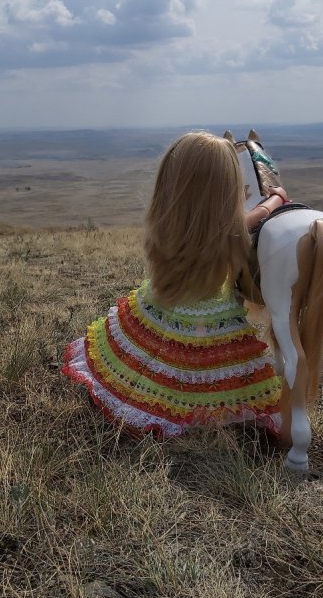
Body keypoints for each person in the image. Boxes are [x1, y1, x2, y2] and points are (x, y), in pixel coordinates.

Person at [62, 131, 289, 438]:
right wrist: (276, 197)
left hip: (162, 301)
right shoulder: (224, 228)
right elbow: (256, 215)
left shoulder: (167, 219)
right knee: (209, 379)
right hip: (207, 322)